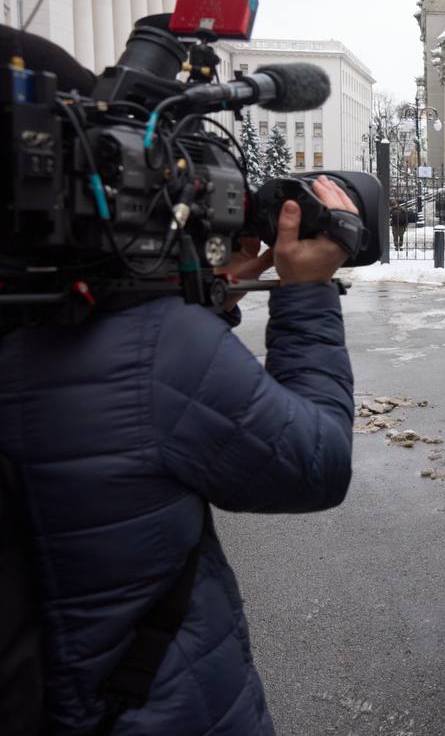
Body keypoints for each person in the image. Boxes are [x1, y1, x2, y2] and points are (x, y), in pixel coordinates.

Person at [0, 176, 359, 733]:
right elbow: (318, 463)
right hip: (155, 706)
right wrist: (307, 292)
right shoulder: (151, 346)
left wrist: (203, 303)